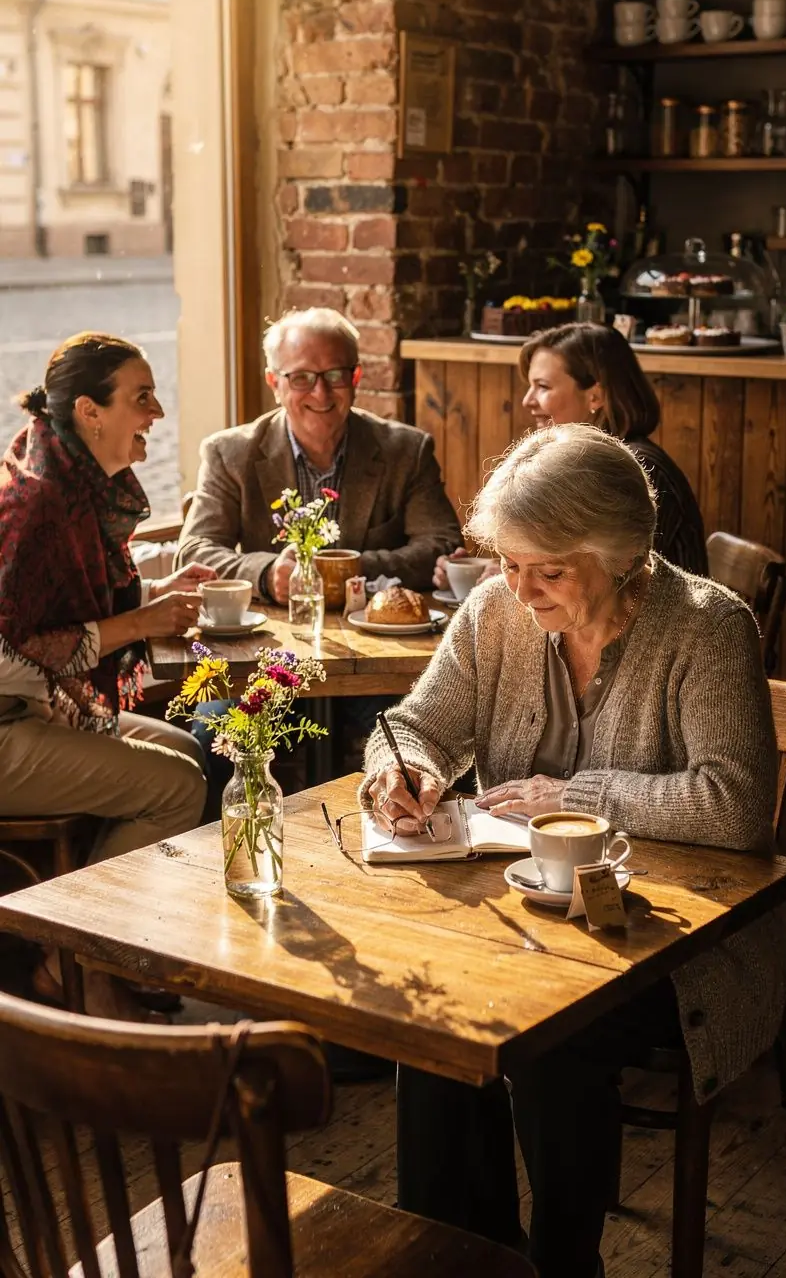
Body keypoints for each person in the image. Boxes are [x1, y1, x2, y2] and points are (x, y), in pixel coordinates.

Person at [363, 424, 786, 1278]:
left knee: (552, 1036)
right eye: (510, 564)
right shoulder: (494, 609)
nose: (519, 591)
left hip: (677, 942)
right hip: (531, 924)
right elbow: (415, 725)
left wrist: (576, 794)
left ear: (621, 553)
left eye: (547, 571)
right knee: (433, 1014)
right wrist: (397, 774)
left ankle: (563, 1264)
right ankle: (462, 1253)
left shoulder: (708, 628)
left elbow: (736, 806)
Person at [0, 332, 217, 1019]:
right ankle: (72, 966)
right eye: (141, 397)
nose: (156, 412)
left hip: (36, 705)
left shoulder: (69, 476)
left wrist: (154, 594)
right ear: (91, 411)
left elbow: (71, 601)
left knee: (187, 749)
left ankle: (112, 945)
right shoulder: (39, 499)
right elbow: (19, 643)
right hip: (7, 719)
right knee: (177, 786)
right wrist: (141, 625)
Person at [177, 307, 463, 600]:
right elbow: (194, 554)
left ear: (356, 377)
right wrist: (266, 574)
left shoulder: (407, 451)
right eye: (301, 378)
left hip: (382, 629)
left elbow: (442, 544)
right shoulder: (229, 454)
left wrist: (344, 569)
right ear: (274, 383)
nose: (321, 393)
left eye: (335, 375)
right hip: (272, 633)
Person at [434, 322, 707, 592]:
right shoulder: (580, 469)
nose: (527, 400)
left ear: (595, 396)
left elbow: (617, 585)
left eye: (542, 386)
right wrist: (485, 573)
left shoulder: (635, 470)